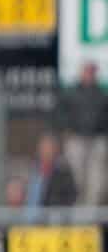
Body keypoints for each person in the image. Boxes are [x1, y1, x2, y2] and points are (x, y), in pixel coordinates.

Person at [56, 63, 107, 206]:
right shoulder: (72, 92)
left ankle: (91, 216)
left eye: (92, 72)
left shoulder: (102, 93)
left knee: (97, 183)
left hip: (97, 140)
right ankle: (78, 217)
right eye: (87, 71)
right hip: (76, 139)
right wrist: (66, 130)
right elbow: (60, 113)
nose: (90, 75)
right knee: (77, 181)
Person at [24, 132, 78, 212]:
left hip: (51, 219)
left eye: (48, 148)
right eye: (42, 147)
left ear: (55, 150)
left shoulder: (63, 173)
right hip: (30, 218)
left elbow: (71, 196)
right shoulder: (33, 170)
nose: (45, 151)